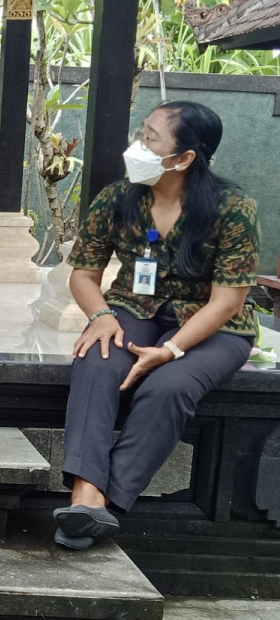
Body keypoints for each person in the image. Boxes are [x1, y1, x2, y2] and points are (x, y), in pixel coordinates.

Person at [56, 101, 259, 549]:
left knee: (168, 386)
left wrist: (170, 351)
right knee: (98, 358)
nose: (137, 146)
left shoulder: (233, 207)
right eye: (140, 133)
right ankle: (84, 495)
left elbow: (227, 302)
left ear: (185, 158)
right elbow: (84, 274)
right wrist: (101, 315)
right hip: (134, 306)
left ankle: (105, 506)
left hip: (215, 325)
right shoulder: (116, 198)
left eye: (150, 139)